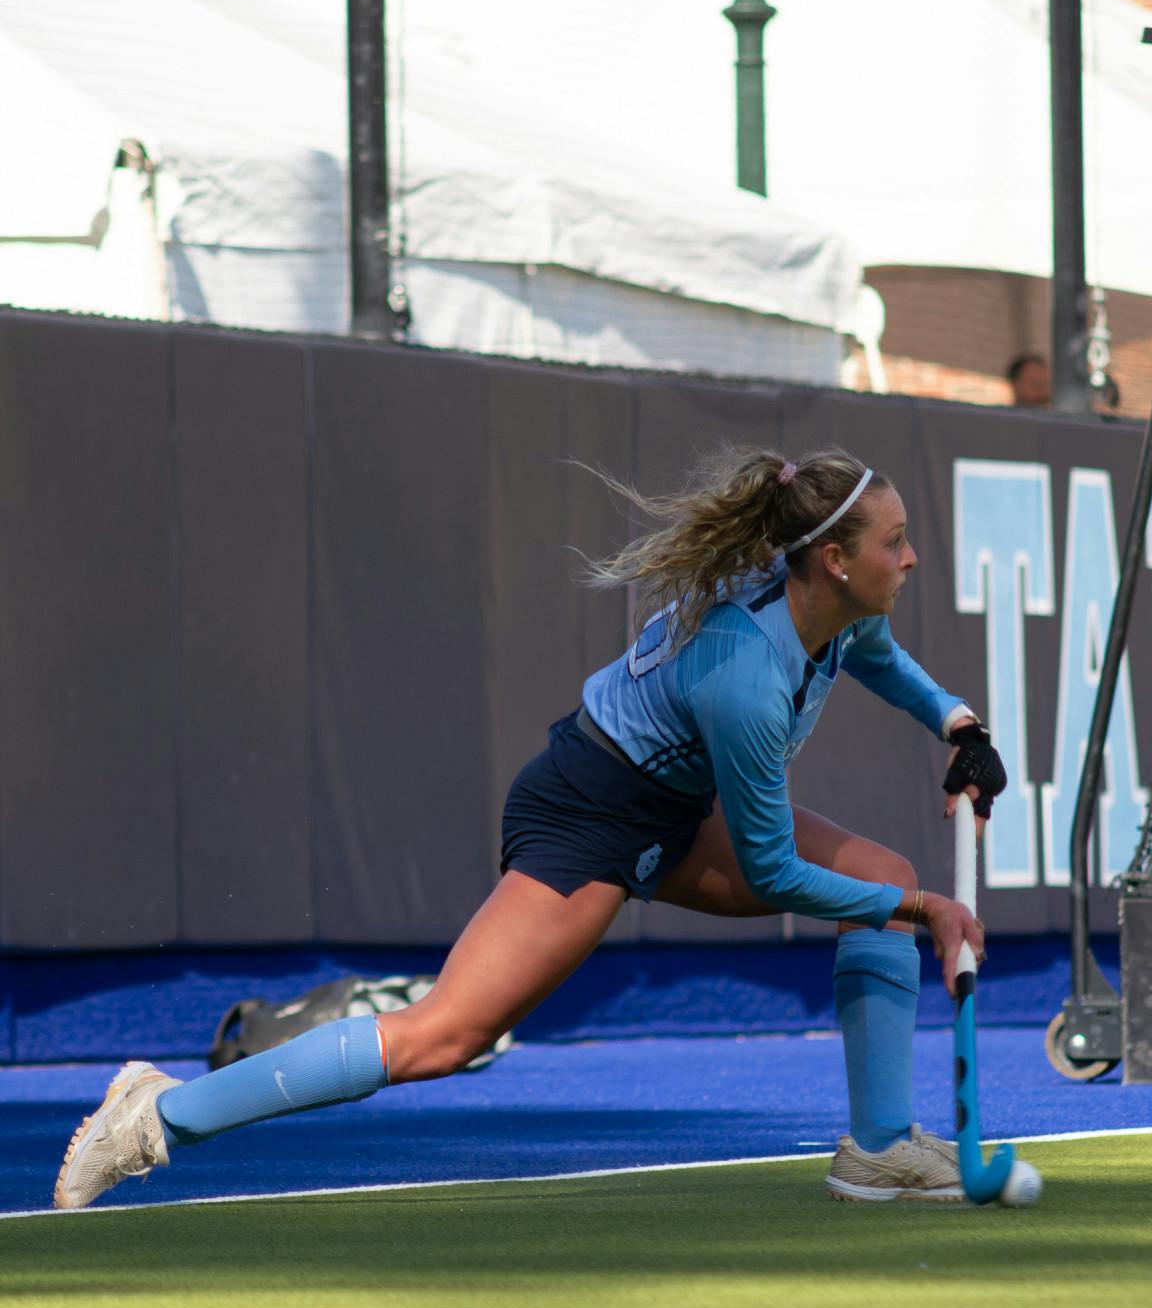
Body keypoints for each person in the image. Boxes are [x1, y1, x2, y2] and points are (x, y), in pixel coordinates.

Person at [53, 447, 1007, 1210]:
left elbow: (880, 653)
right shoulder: (744, 676)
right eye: (898, 541)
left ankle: (879, 1151)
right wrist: (923, 907)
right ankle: (156, 1118)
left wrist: (956, 723)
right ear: (835, 559)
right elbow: (774, 868)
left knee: (879, 875)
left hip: (672, 804)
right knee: (444, 1036)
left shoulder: (829, 604)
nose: (911, 557)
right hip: (589, 810)